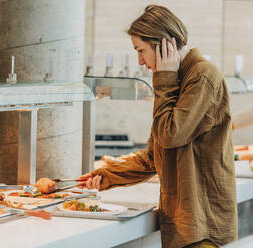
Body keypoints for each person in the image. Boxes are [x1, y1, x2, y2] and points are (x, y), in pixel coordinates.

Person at [79, 5, 237, 248]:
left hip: (203, 228)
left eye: (140, 50)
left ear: (164, 46)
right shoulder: (177, 79)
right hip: (186, 226)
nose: (140, 61)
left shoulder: (202, 76)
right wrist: (106, 176)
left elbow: (171, 134)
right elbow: (154, 157)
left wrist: (164, 79)